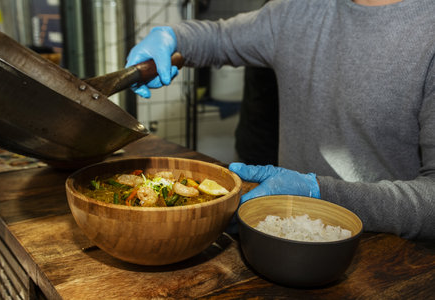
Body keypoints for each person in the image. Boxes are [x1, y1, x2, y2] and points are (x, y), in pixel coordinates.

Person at [125, 0, 435, 239]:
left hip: (390, 254)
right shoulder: (298, 9)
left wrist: (323, 193)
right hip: (285, 233)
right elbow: (219, 37)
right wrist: (173, 38)